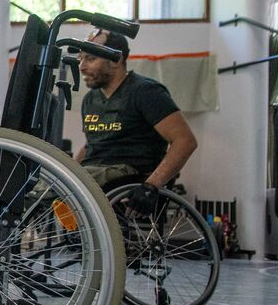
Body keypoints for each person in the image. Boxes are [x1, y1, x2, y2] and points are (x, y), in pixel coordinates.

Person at [75, 29, 198, 215]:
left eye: (91, 59)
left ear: (116, 60)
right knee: (42, 184)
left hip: (126, 174)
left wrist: (151, 186)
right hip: (93, 172)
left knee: (77, 182)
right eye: (80, 58)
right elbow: (92, 143)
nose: (82, 66)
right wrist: (66, 168)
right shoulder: (90, 100)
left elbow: (185, 141)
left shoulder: (145, 92)